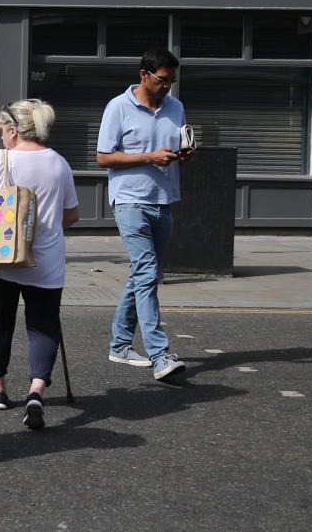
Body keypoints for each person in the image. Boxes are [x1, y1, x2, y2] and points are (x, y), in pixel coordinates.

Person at [0, 100, 79, 430]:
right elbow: (71, 215)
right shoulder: (59, 163)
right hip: (45, 259)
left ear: (13, 130)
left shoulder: (3, 160)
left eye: (3, 130)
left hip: (4, 258)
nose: (2, 137)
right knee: (44, 326)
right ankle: (36, 392)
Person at [96, 48, 192, 382]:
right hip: (129, 201)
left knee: (143, 275)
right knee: (148, 271)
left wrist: (183, 155)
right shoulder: (118, 107)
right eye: (162, 80)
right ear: (144, 75)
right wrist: (149, 157)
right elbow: (103, 158)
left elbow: (175, 147)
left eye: (171, 82)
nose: (168, 87)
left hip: (164, 200)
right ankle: (159, 354)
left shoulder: (176, 107)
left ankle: (120, 345)